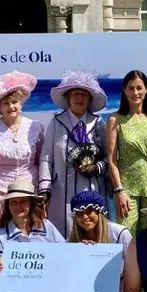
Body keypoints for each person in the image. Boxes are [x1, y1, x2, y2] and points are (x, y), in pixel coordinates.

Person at [39, 70, 109, 236]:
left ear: (90, 99)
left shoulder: (98, 123)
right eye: (76, 94)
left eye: (84, 94)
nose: (79, 98)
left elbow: (109, 157)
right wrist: (44, 190)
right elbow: (46, 158)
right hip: (62, 193)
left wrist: (97, 167)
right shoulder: (56, 122)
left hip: (93, 190)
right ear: (68, 98)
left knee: (94, 236)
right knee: (63, 235)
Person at [0, 180, 65, 292]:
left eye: (23, 202)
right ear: (8, 206)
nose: (18, 206)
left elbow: (64, 256)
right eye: (13, 202)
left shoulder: (47, 227)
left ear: (31, 203)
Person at [67, 190, 135, 292]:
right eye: (79, 213)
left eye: (89, 211)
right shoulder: (72, 240)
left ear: (100, 212)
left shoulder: (120, 234)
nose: (85, 217)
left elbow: (133, 275)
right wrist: (80, 254)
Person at [0, 71, 45, 220]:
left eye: (14, 102)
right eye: (5, 103)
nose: (11, 107)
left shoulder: (35, 127)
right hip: (0, 192)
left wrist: (43, 191)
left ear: (21, 104)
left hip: (30, 190)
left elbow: (41, 162)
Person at [107, 70, 147, 236]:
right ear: (124, 90)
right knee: (126, 235)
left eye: (139, 88)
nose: (135, 93)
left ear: (146, 89)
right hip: (128, 190)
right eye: (131, 88)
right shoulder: (115, 119)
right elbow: (112, 160)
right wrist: (119, 191)